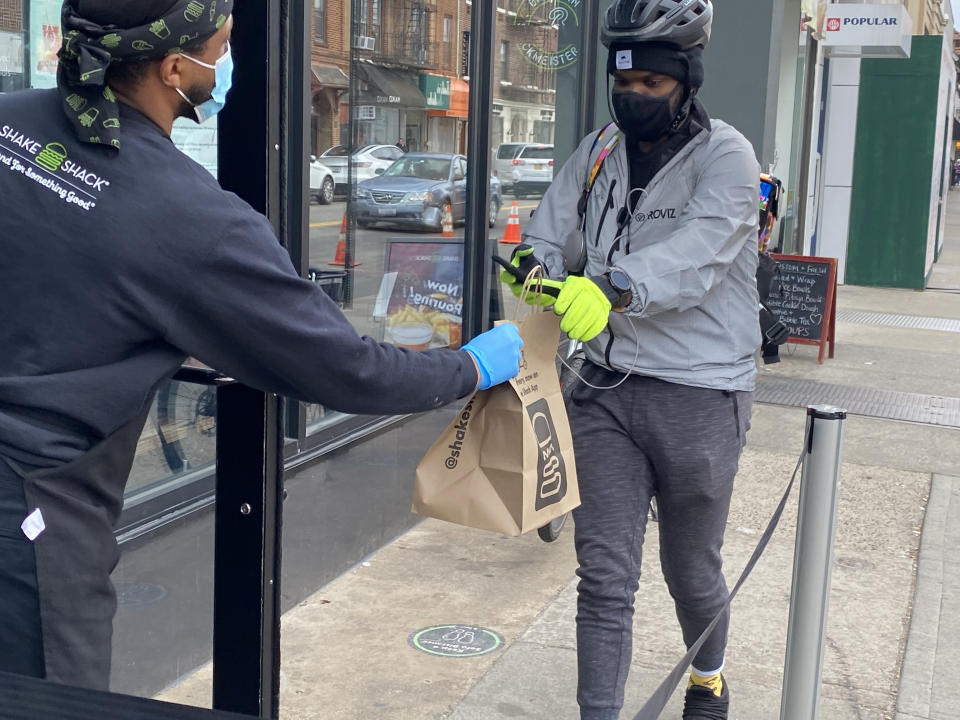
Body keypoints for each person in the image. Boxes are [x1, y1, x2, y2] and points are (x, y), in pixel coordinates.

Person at [0, 0, 522, 691]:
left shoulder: (11, 124)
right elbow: (348, 370)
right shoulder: (191, 219)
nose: (227, 62)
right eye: (224, 45)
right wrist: (469, 365)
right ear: (172, 66)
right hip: (31, 530)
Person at [500, 1, 760, 718]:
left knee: (690, 572)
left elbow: (698, 255)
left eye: (652, 83)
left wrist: (612, 287)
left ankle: (707, 674)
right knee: (605, 577)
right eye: (625, 80)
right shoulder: (598, 152)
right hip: (606, 390)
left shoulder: (728, 158)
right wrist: (532, 262)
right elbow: (552, 230)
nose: (634, 95)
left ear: (687, 80)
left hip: (699, 394)